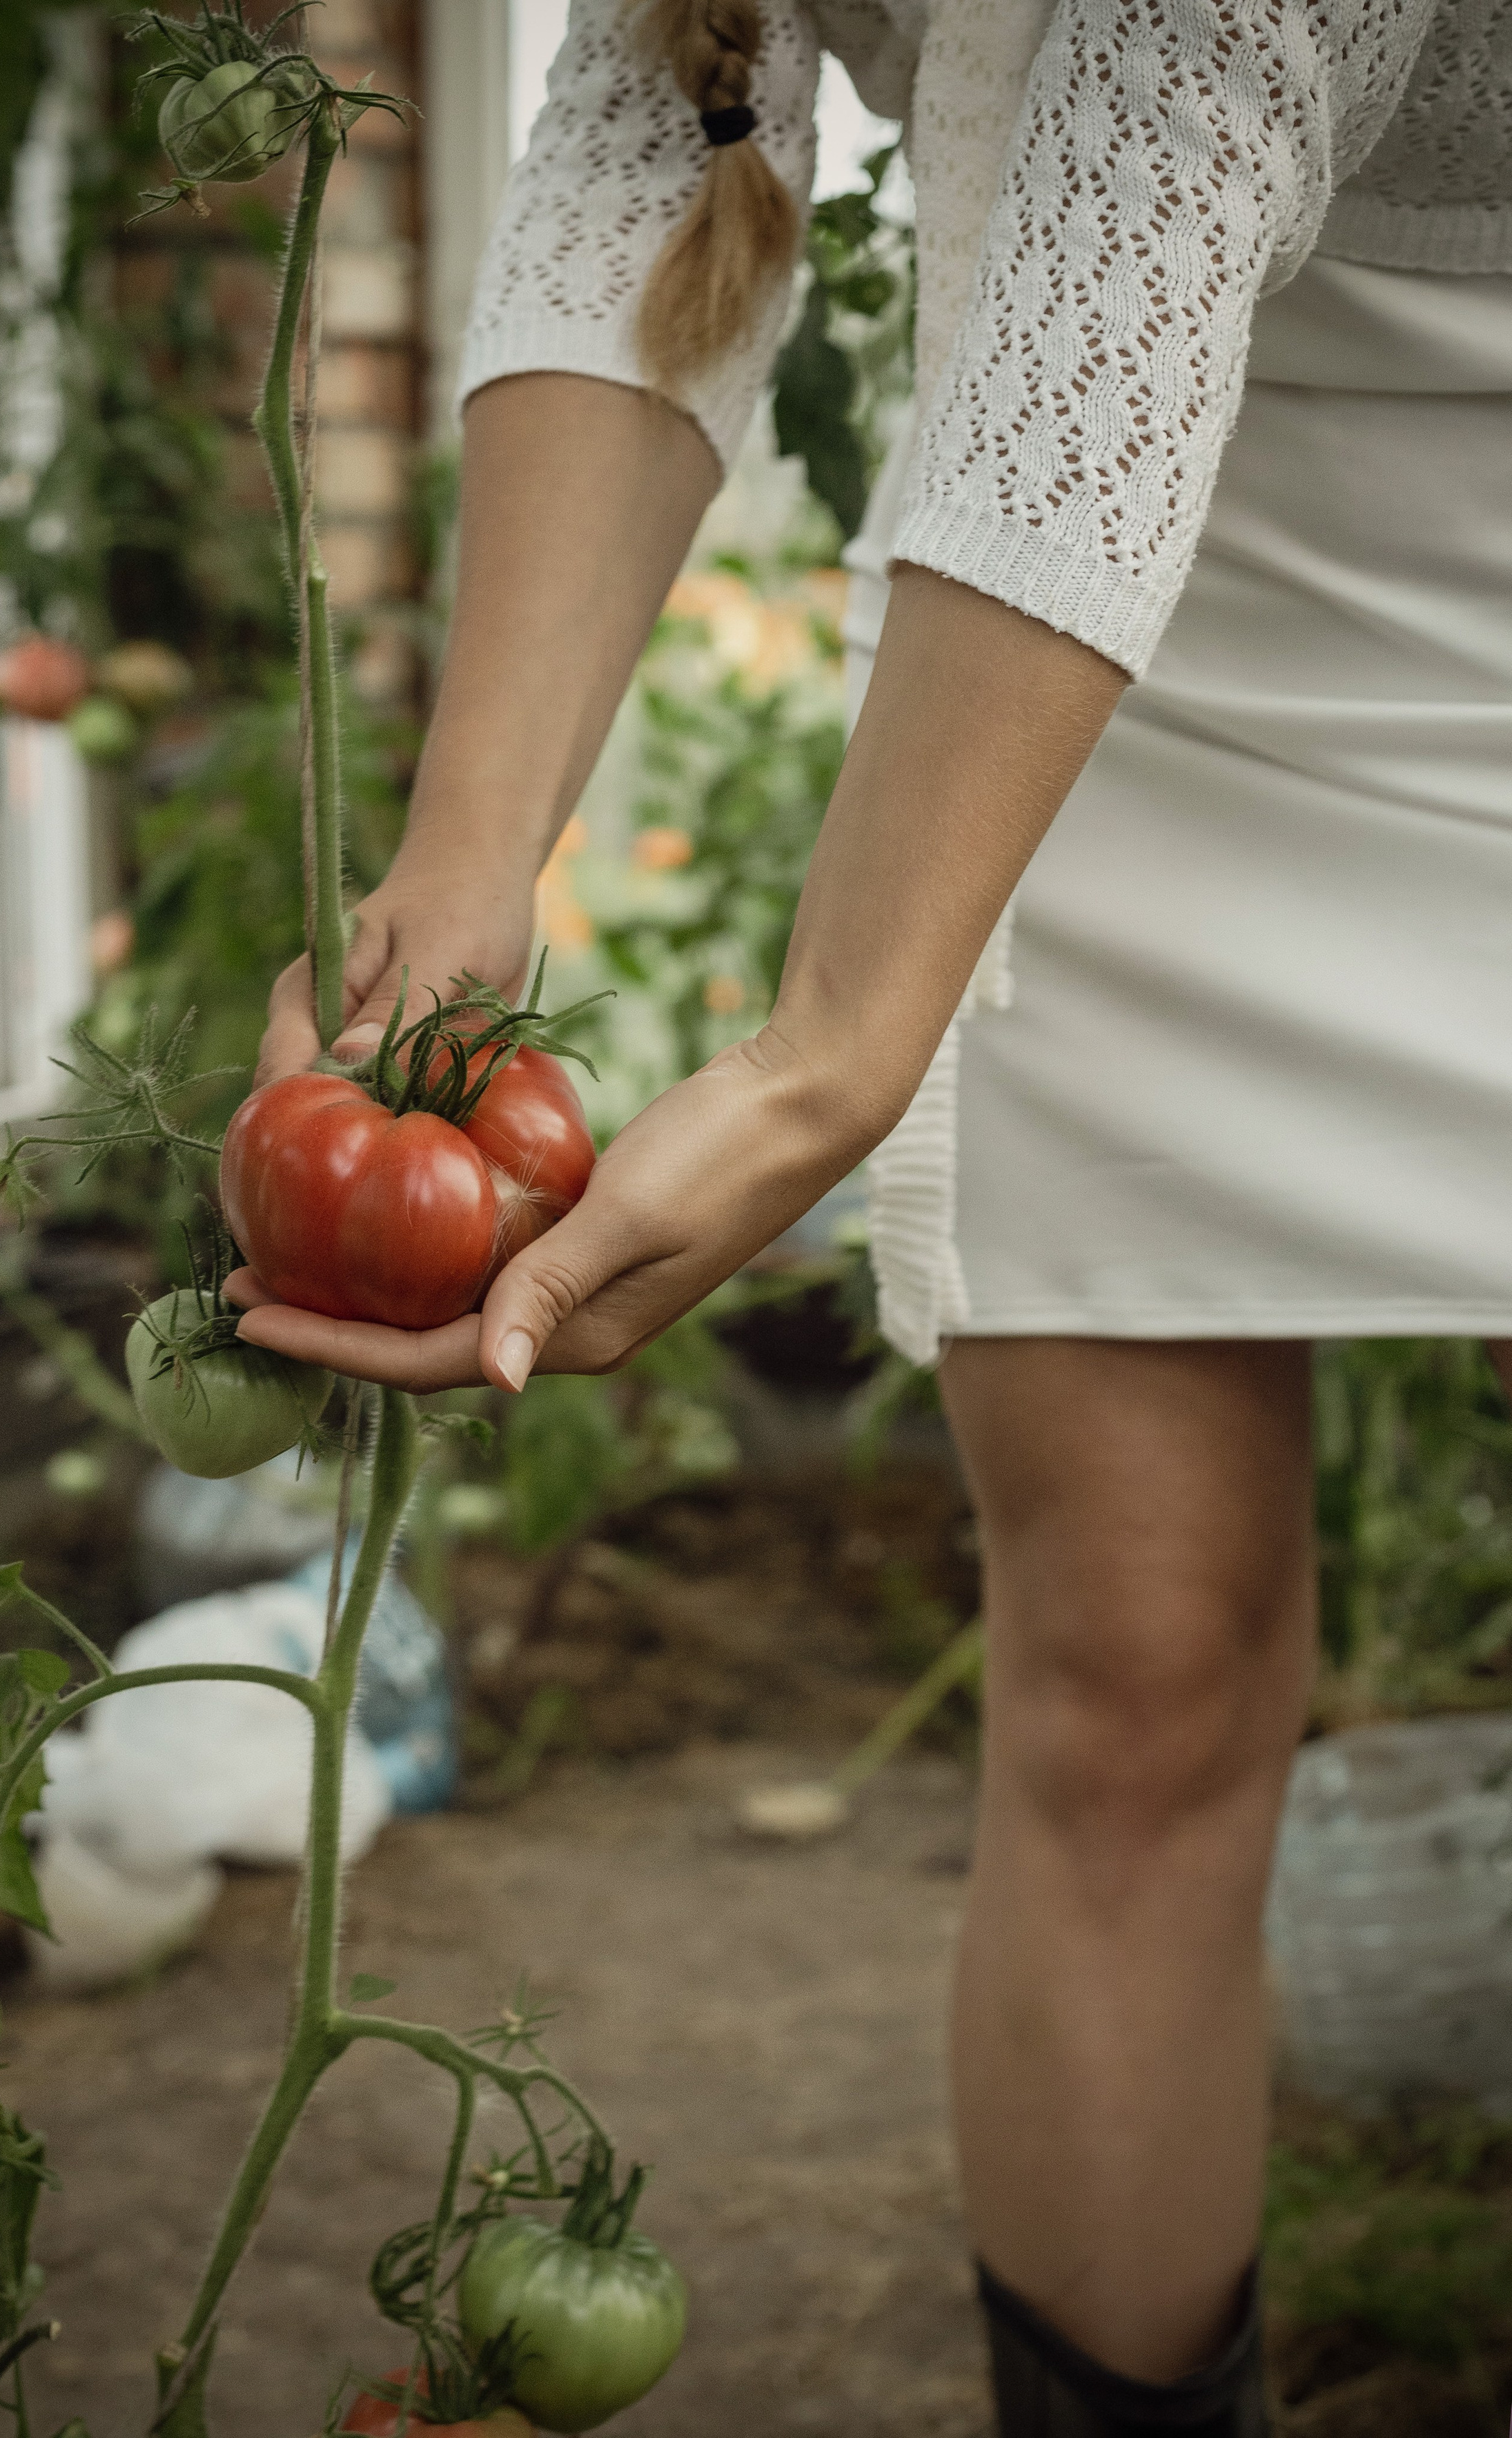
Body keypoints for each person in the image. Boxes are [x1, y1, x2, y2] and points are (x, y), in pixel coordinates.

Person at [228, 3, 1512, 2429]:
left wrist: (832, 1048)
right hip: (1071, 624)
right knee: (1134, 1675)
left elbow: (1166, 118)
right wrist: (467, 860)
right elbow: (658, 126)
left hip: (1128, 428)